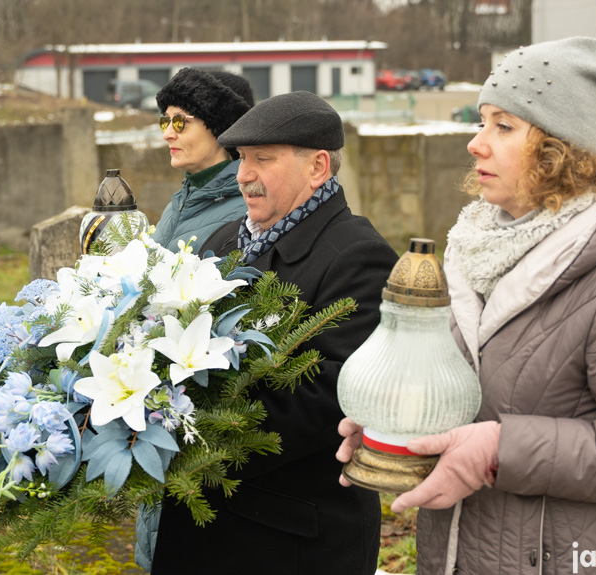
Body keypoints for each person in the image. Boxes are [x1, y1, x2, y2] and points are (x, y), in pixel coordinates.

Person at [337, 37, 596, 574]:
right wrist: (396, 427)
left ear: (562, 151)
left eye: (503, 127)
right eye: (481, 121)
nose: (475, 143)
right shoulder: (477, 253)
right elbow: (475, 393)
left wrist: (498, 451)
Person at [142, 91, 399, 574]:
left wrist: (174, 427)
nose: (243, 175)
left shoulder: (358, 257)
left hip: (289, 539)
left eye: (263, 159)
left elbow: (325, 398)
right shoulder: (224, 242)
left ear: (318, 168)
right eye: (241, 158)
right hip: (200, 524)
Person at [148, 68, 254, 252]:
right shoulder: (177, 205)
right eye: (166, 121)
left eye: (180, 122)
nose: (167, 134)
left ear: (223, 130)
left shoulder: (248, 215)